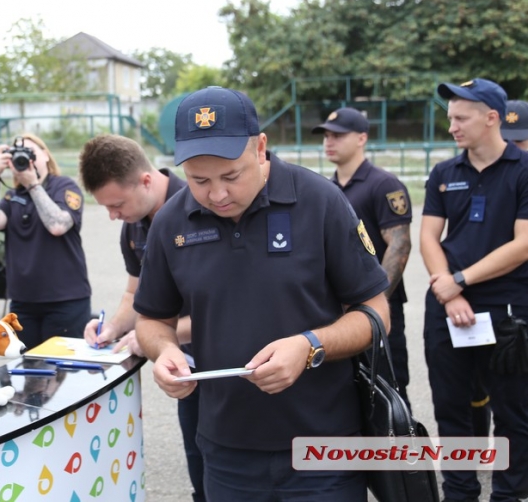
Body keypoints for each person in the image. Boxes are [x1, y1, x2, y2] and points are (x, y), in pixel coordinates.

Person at [133, 86, 390, 500]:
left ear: (261, 148)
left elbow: (376, 312)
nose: (217, 194)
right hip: (226, 453)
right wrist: (163, 352)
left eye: (231, 176)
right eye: (200, 180)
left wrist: (310, 346)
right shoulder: (170, 222)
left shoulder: (320, 201)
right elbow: (151, 320)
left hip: (323, 446)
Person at [78, 134, 203, 502]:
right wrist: (113, 327)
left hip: (228, 362)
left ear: (146, 181)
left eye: (117, 204)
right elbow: (135, 294)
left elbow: (224, 308)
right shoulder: (133, 225)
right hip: (184, 368)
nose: (113, 215)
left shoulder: (199, 207)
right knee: (198, 458)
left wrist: (154, 336)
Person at [420, 78, 528, 502]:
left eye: (461, 118)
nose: (452, 127)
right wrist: (449, 293)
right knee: (452, 411)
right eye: (450, 119)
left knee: (513, 413)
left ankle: (507, 493)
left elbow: (523, 244)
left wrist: (461, 280)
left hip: (507, 309)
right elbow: (429, 237)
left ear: (492, 118)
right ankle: (460, 493)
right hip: (448, 308)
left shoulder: (522, 173)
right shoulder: (445, 173)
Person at [312, 107, 413, 406]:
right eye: (327, 136)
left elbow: (400, 246)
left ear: (362, 138)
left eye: (338, 135)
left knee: (389, 396)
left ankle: (405, 456)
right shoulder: (326, 189)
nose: (329, 142)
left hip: (379, 311)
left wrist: (373, 303)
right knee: (350, 396)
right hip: (339, 314)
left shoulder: (383, 184)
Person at [0, 133, 91, 350]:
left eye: (31, 153)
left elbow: (58, 225)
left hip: (65, 301)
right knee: (26, 375)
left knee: (63, 374)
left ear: (46, 155)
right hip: (23, 303)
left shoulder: (64, 186)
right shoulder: (13, 195)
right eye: (18, 155)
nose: (26, 160)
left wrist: (33, 185)